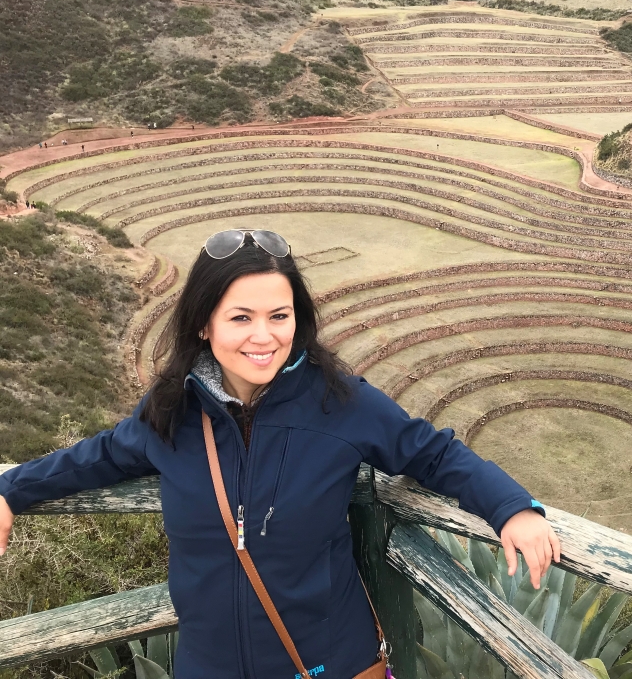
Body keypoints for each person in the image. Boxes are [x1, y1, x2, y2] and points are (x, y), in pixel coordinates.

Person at [0, 229, 560, 679]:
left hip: (328, 660)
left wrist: (511, 507)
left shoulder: (341, 402)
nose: (263, 337)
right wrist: (11, 490)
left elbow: (432, 453)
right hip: (208, 663)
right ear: (204, 323)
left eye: (279, 316)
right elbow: (98, 457)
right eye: (240, 317)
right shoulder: (171, 411)